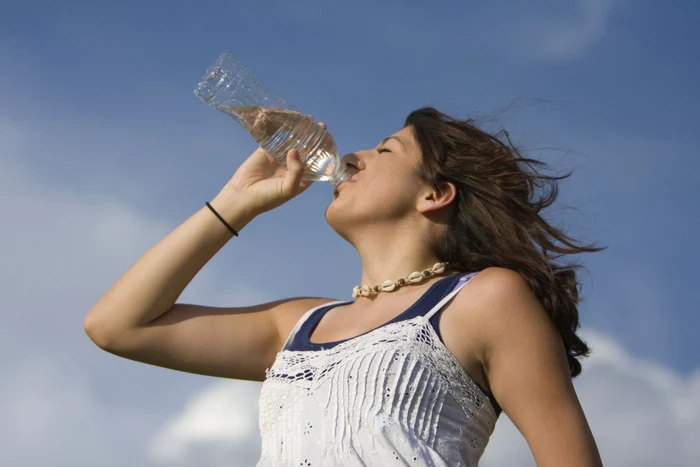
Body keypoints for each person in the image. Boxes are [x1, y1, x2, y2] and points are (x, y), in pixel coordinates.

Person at [84, 107, 604, 466]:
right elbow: (117, 326)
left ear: (435, 194)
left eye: (386, 150)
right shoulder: (299, 324)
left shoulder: (487, 299)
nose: (352, 158)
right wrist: (238, 200)